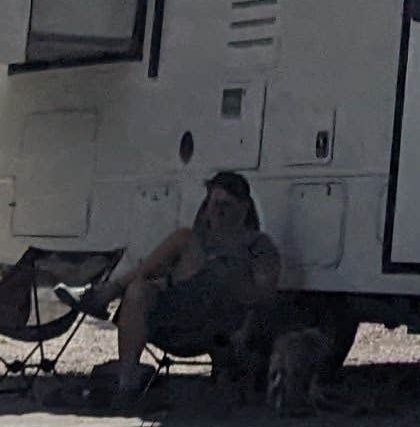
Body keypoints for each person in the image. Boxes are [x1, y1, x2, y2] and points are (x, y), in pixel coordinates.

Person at [93, 169, 287, 402]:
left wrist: (227, 274)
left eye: (226, 205)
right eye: (213, 204)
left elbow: (264, 296)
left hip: (223, 323)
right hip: (177, 320)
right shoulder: (188, 240)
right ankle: (127, 384)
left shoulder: (257, 246)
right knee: (138, 290)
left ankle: (102, 296)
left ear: (244, 208)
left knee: (215, 273)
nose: (218, 211)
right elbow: (146, 271)